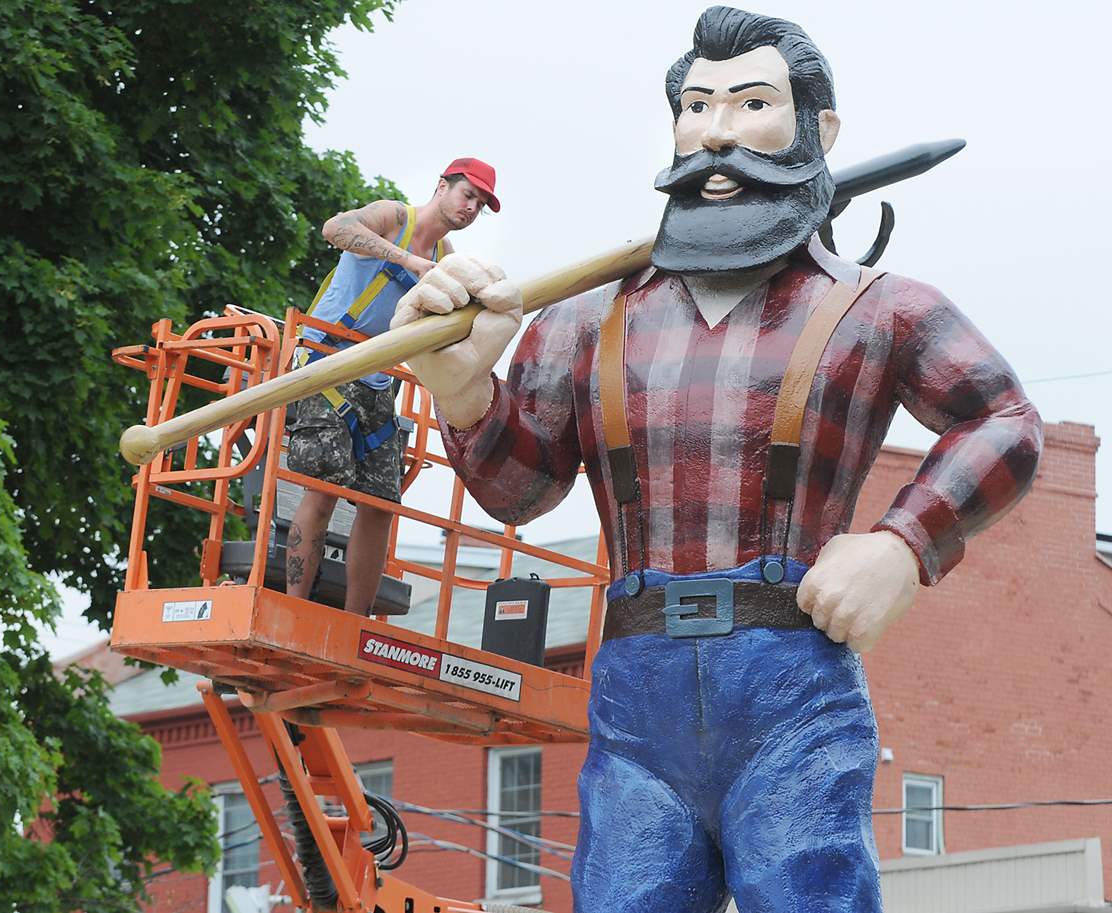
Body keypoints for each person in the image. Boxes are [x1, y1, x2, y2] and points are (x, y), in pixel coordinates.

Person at [391, 8, 1043, 913]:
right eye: (696, 107)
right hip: (635, 709)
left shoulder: (879, 310)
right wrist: (462, 389)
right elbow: (518, 488)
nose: (718, 133)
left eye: (750, 103)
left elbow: (1005, 419)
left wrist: (903, 542)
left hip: (794, 696)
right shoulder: (583, 317)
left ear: (821, 133)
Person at [285, 157, 500, 615]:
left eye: (479, 204)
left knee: (381, 501)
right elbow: (335, 228)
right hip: (327, 359)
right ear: (442, 186)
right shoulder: (394, 218)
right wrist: (404, 258)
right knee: (323, 488)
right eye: (468, 195)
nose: (471, 208)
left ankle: (356, 622)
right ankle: (295, 608)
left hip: (377, 375)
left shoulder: (446, 262)